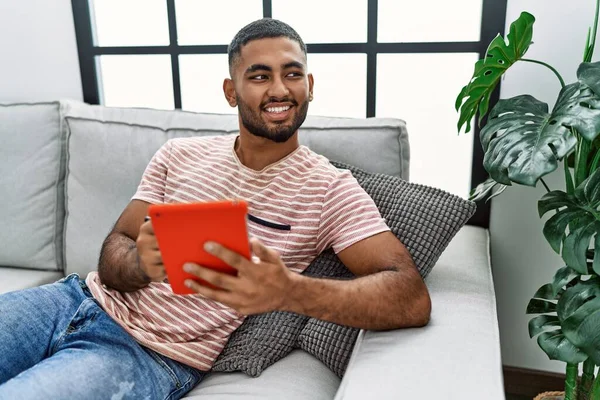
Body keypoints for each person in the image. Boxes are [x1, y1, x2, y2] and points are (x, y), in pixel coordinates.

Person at [0, 18, 430, 399]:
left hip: (148, 353)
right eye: (259, 76)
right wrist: (139, 264)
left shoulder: (330, 189)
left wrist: (290, 292)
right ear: (231, 91)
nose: (279, 90)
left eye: (292, 74)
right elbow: (117, 247)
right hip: (69, 299)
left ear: (310, 85)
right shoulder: (178, 155)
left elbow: (410, 297)